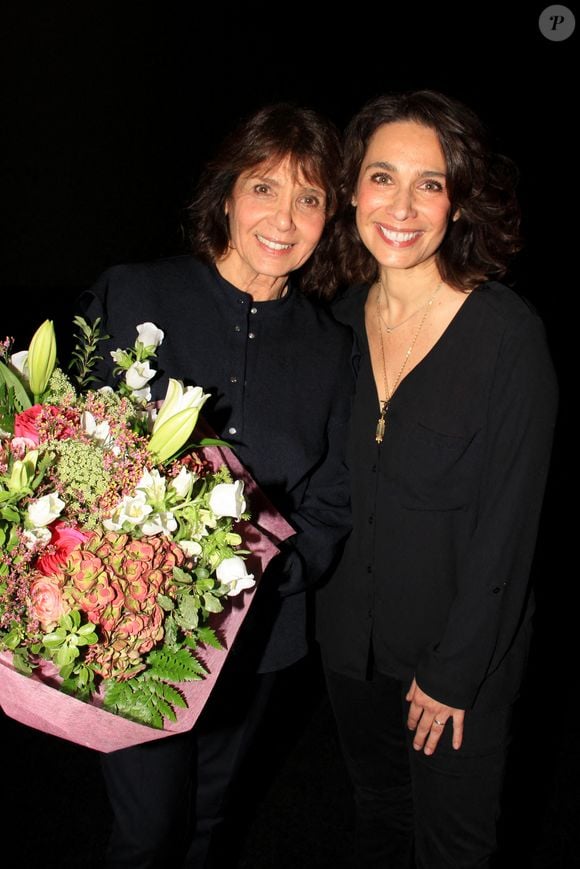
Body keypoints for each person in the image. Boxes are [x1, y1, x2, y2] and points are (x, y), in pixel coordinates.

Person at [77, 102, 354, 868]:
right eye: (264, 187)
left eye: (309, 198)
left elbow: (333, 499)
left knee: (208, 821)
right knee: (148, 830)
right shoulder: (135, 295)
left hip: (260, 642)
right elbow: (72, 444)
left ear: (329, 218)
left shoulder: (333, 352)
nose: (284, 217)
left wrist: (270, 572)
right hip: (136, 630)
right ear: (227, 194)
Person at [315, 89, 559, 868]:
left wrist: (454, 674)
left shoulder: (506, 338)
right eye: (383, 177)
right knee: (378, 823)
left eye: (431, 182)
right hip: (351, 651)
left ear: (459, 202)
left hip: (457, 666)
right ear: (352, 188)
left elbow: (509, 533)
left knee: (454, 848)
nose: (404, 205)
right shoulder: (338, 322)